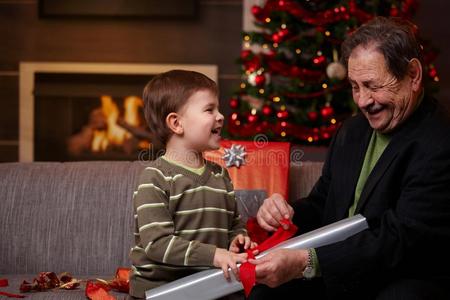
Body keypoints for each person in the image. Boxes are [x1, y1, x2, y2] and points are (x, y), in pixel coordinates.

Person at [249, 16, 450, 300]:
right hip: (341, 271)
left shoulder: (440, 139)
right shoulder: (352, 130)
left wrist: (307, 262)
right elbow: (324, 202)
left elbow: (401, 239)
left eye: (372, 85)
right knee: (264, 293)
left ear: (413, 76)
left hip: (403, 274)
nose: (362, 101)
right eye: (355, 86)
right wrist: (288, 213)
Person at [129, 70, 255, 299]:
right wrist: (214, 255)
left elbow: (234, 225)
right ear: (176, 123)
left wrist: (238, 239)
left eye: (218, 108)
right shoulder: (155, 178)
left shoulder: (220, 176)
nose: (220, 116)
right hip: (161, 290)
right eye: (209, 109)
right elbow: (157, 244)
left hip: (213, 285)